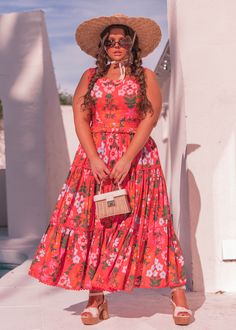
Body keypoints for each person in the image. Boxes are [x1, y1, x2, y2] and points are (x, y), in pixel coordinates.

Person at [28, 13, 192, 326]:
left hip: (138, 160)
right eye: (111, 41)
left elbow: (149, 118)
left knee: (151, 224)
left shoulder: (147, 76)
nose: (117, 46)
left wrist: (129, 157)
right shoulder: (90, 77)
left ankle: (177, 294)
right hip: (97, 162)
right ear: (103, 46)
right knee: (97, 225)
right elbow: (80, 118)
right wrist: (92, 157)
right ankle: (96, 297)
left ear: (133, 45)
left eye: (123, 41)